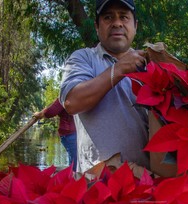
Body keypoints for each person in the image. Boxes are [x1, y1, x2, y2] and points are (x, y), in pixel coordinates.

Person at [59, 0, 149, 174]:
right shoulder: (84, 58)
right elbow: (72, 102)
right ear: (97, 27)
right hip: (98, 186)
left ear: (135, 25)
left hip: (146, 182)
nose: (117, 23)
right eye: (108, 17)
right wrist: (121, 68)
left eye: (124, 17)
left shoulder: (151, 66)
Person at [34, 99, 77, 170]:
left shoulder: (67, 94)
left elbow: (50, 112)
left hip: (70, 133)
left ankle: (74, 177)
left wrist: (38, 114)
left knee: (75, 161)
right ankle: (75, 176)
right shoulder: (81, 92)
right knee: (76, 159)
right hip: (76, 132)